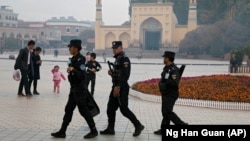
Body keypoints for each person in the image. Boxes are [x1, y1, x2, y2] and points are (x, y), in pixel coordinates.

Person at [51, 39, 98, 139]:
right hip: (74, 89)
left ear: (76, 48)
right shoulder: (73, 59)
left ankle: (93, 130)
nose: (69, 49)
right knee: (68, 109)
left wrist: (73, 69)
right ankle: (62, 131)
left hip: (80, 90)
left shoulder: (80, 59)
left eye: (70, 47)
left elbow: (82, 75)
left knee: (84, 111)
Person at [100, 41, 144, 137]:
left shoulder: (125, 60)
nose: (114, 50)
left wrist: (118, 87)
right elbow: (118, 73)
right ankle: (110, 128)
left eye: (116, 48)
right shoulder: (117, 59)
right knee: (110, 108)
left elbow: (125, 75)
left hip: (121, 87)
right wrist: (112, 73)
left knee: (124, 109)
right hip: (115, 86)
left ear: (121, 48)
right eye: (113, 48)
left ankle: (138, 125)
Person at [154, 51, 188, 135]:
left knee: (168, 112)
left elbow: (174, 82)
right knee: (165, 112)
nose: (163, 59)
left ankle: (181, 124)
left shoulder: (174, 69)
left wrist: (166, 81)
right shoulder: (167, 68)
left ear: (168, 58)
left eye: (164, 57)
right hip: (166, 93)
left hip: (171, 94)